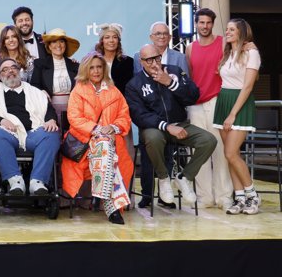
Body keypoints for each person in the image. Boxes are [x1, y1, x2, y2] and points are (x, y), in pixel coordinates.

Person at [125, 44, 216, 206]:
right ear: (141, 61)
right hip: (155, 129)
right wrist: (166, 126)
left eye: (157, 58)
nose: (154, 63)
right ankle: (163, 178)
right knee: (153, 137)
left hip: (180, 124)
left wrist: (170, 83)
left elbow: (193, 96)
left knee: (209, 140)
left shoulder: (174, 71)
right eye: (149, 60)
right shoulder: (134, 84)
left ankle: (184, 177)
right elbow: (139, 116)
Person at [61, 52, 133, 224]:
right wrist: (98, 130)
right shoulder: (79, 90)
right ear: (85, 70)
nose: (96, 71)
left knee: (106, 147)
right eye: (91, 67)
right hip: (84, 140)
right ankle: (110, 206)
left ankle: (100, 195)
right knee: (106, 148)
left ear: (104, 68)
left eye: (99, 67)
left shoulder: (114, 90)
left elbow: (124, 116)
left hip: (111, 140)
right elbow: (74, 118)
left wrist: (113, 127)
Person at [0, 58, 61, 196]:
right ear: (0, 75)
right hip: (6, 134)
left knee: (51, 134)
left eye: (13, 67)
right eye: (5, 69)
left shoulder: (35, 91)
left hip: (33, 134)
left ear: (19, 71)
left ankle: (38, 182)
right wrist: (1, 121)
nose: (10, 71)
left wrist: (51, 120)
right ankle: (15, 182)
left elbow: (49, 110)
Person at [132, 21, 188, 208]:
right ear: (151, 37)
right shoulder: (138, 56)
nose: (161, 36)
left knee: (168, 155)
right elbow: (138, 84)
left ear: (170, 37)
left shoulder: (179, 58)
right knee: (147, 155)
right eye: (157, 33)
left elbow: (184, 87)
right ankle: (147, 194)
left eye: (165, 33)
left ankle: (166, 197)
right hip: (149, 116)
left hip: (171, 115)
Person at [184, 8, 233, 209]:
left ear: (213, 24)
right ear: (195, 24)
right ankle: (204, 197)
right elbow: (191, 77)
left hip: (217, 101)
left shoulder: (223, 42)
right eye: (201, 22)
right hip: (195, 105)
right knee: (199, 151)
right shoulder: (189, 48)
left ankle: (224, 196)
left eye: (208, 22)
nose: (205, 26)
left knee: (220, 150)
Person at [213, 19, 262, 215]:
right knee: (231, 156)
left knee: (231, 153)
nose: (227, 32)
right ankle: (240, 198)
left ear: (241, 32)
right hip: (223, 101)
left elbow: (248, 86)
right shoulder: (228, 53)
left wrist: (233, 114)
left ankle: (253, 196)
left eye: (232, 29)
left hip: (239, 104)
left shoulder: (251, 53)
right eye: (227, 29)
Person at [95, 22, 136, 165]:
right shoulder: (93, 61)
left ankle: (126, 178)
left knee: (124, 148)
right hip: (97, 111)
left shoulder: (128, 62)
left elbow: (130, 89)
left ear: (119, 40)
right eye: (107, 37)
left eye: (114, 37)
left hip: (120, 111)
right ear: (102, 41)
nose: (111, 41)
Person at [30, 27, 80, 123]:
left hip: (73, 110)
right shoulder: (40, 64)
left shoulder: (75, 65)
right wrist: (42, 91)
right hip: (48, 110)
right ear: (49, 46)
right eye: (54, 42)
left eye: (61, 41)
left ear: (65, 45)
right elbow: (34, 85)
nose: (58, 45)